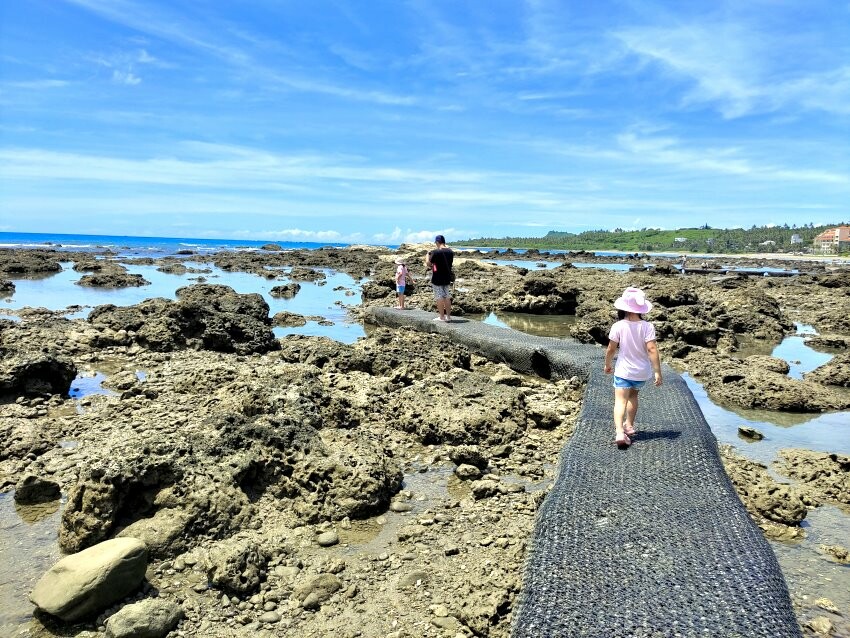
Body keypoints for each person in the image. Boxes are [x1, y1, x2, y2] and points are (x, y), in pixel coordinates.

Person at [603, 287, 663, 448]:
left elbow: (611, 348)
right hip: (641, 372)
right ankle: (629, 425)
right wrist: (657, 371)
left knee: (620, 401)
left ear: (623, 307)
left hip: (623, 371)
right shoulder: (647, 326)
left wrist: (608, 364)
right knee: (633, 397)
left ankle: (619, 432)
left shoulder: (618, 326)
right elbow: (652, 349)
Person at [425, 234, 454, 322]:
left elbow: (429, 263)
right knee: (447, 296)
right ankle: (448, 316)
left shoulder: (436, 252)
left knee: (439, 297)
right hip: (447, 277)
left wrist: (427, 255)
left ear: (437, 242)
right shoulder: (450, 252)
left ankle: (442, 317)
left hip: (437, 277)